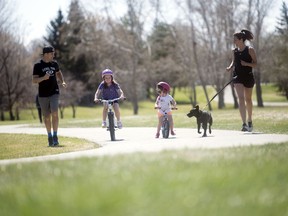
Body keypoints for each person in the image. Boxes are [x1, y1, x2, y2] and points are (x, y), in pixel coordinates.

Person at [32, 46, 67, 147]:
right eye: (52, 53)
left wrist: (62, 81)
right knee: (47, 117)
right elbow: (34, 80)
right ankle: (49, 136)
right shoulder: (37, 65)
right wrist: (43, 78)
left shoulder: (54, 64)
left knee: (55, 112)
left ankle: (55, 136)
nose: (53, 55)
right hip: (42, 95)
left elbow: (58, 73)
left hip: (54, 92)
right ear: (46, 54)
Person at [226, 29, 257, 132]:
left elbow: (256, 64)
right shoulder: (234, 51)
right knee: (240, 98)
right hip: (237, 77)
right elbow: (233, 62)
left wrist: (247, 64)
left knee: (248, 99)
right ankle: (244, 124)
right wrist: (230, 67)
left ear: (241, 39)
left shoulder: (250, 50)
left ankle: (250, 120)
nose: (234, 41)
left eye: (235, 39)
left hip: (248, 76)